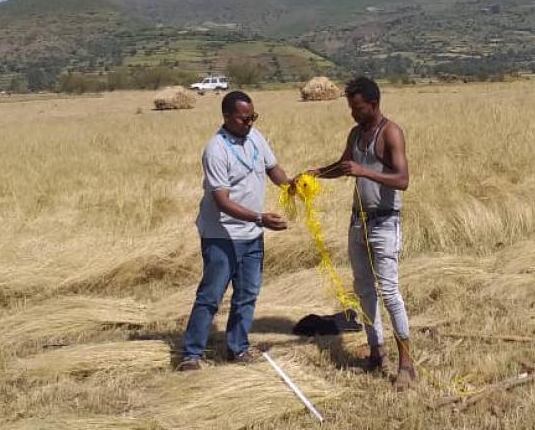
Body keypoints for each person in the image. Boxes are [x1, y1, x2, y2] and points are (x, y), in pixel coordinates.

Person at [306, 77, 415, 390]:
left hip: (384, 223)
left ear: (374, 104)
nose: (353, 114)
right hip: (359, 222)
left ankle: (406, 364)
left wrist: (364, 171)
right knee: (364, 290)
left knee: (390, 292)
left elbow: (402, 179)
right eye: (351, 108)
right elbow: (344, 166)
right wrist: (314, 175)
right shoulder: (356, 133)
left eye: (358, 108)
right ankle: (376, 352)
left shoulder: (390, 132)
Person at [178, 91, 292, 371]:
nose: (250, 122)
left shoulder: (256, 137)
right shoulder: (215, 149)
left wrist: (291, 185)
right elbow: (222, 201)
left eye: (253, 117)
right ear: (227, 117)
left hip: (252, 234)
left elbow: (272, 168)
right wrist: (260, 218)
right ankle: (191, 354)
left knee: (248, 292)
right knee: (211, 294)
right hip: (222, 235)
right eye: (244, 118)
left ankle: (237, 347)